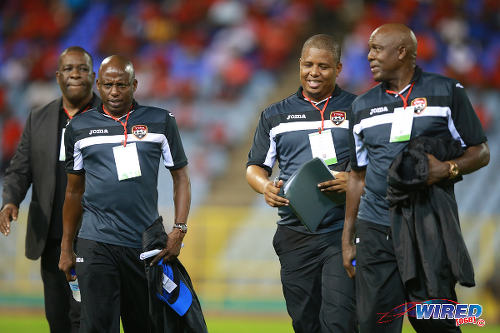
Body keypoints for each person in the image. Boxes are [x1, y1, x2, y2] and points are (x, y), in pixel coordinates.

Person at [342, 23, 490, 333]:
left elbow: (480, 151)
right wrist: (348, 239)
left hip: (427, 226)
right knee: (372, 325)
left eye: (377, 49)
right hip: (376, 227)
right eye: (369, 49)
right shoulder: (361, 106)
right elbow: (357, 177)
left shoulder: (447, 92)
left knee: (436, 325)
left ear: (402, 52)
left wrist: (449, 169)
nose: (369, 56)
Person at [58, 55, 191, 333]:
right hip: (95, 243)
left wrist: (178, 230)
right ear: (98, 85)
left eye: (122, 84)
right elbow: (73, 192)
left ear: (135, 84)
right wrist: (66, 247)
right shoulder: (77, 128)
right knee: (95, 327)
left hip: (143, 246)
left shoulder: (160, 121)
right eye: (108, 85)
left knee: (144, 326)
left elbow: (181, 178)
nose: (114, 92)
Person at [246, 34, 357, 333]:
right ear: (299, 65)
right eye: (308, 64)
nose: (314, 72)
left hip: (342, 233)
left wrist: (354, 181)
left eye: (323, 66)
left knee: (339, 321)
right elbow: (255, 166)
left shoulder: (358, 109)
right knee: (305, 323)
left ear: (338, 68)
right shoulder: (275, 115)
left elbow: (378, 166)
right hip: (294, 232)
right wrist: (264, 186)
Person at [0, 46, 100, 333]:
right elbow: (20, 168)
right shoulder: (38, 118)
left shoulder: (110, 117)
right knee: (57, 319)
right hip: (50, 239)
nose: (75, 74)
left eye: (82, 68)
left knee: (86, 318)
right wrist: (10, 201)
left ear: (93, 76)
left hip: (93, 238)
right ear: (58, 76)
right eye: (68, 68)